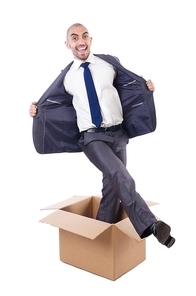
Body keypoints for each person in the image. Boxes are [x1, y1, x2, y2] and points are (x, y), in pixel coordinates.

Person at [29, 23, 175, 248]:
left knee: (112, 190)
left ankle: (97, 245)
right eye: (75, 38)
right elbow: (52, 105)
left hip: (118, 134)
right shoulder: (67, 77)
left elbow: (129, 85)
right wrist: (36, 112)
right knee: (121, 175)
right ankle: (152, 225)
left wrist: (146, 87)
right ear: (68, 44)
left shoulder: (109, 63)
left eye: (85, 36)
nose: (81, 41)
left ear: (90, 39)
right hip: (92, 138)